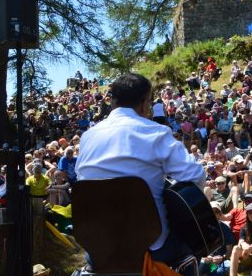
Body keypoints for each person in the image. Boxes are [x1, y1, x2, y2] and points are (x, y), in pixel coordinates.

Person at [77, 73, 204, 270]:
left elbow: (82, 183)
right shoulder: (156, 132)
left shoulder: (87, 138)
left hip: (99, 247)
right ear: (145, 104)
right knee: (197, 242)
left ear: (112, 102)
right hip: (151, 244)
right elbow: (196, 176)